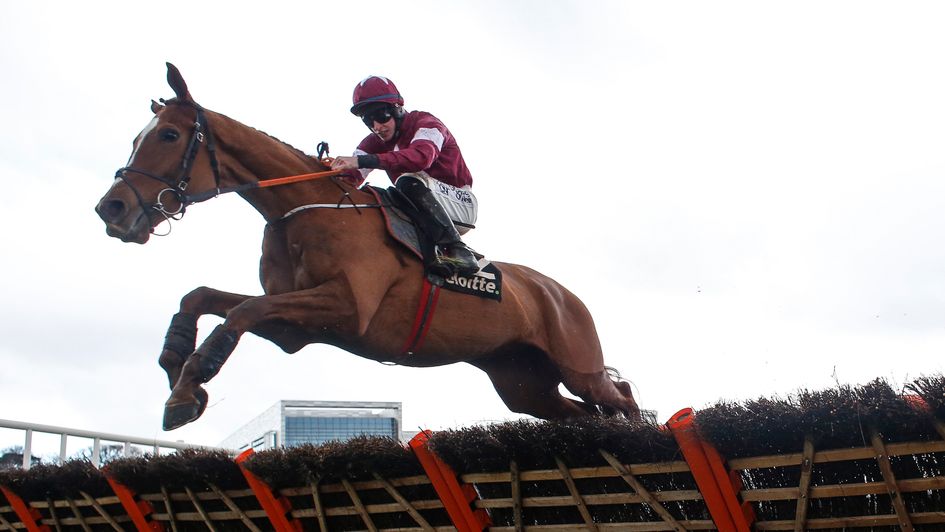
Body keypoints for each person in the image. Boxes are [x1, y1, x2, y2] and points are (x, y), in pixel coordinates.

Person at [331, 75, 480, 277]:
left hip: (460, 205)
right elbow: (348, 181)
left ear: (398, 108)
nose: (377, 126)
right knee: (376, 195)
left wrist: (361, 161)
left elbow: (420, 158)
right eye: (368, 120)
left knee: (408, 181)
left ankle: (458, 249)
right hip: (420, 205)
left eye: (381, 115)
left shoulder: (427, 124)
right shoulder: (371, 142)